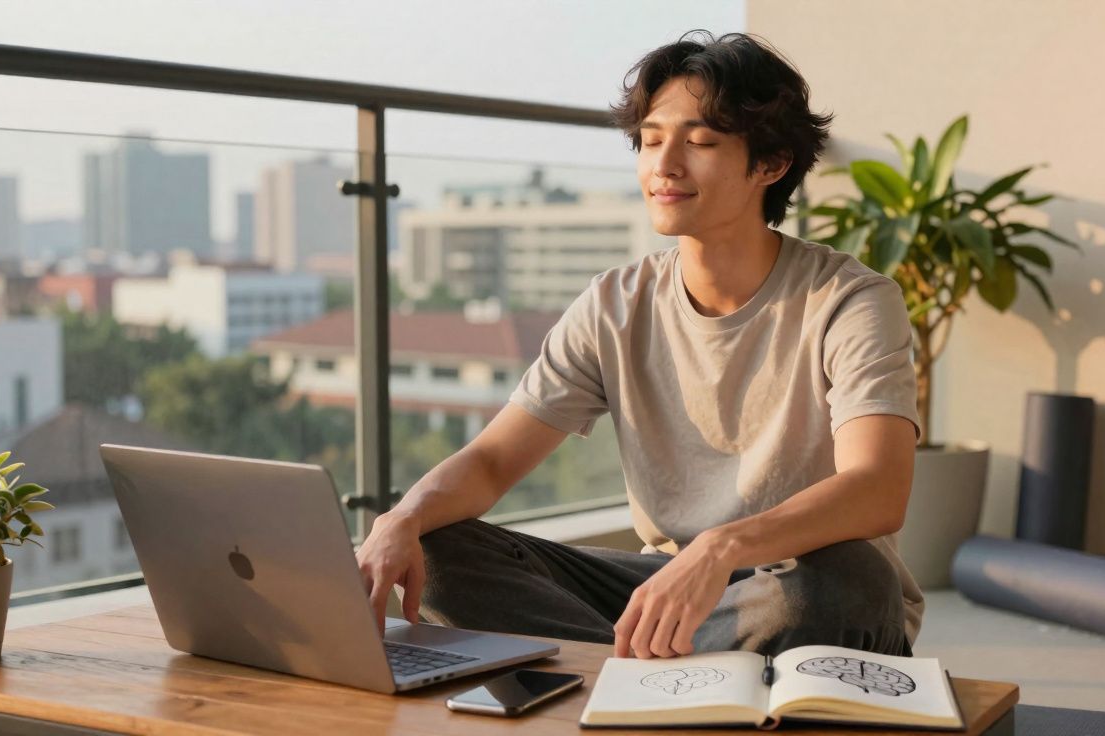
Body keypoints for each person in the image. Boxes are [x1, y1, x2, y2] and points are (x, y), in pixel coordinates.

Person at [357, 30, 924, 661]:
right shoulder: (615, 303)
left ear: (771, 163)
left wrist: (721, 546)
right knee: (437, 549)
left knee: (847, 580)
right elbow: (492, 462)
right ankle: (660, 677)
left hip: (793, 586)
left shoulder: (851, 300)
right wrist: (399, 519)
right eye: (651, 140)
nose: (665, 165)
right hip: (664, 586)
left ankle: (625, 674)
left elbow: (878, 486)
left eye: (701, 142)